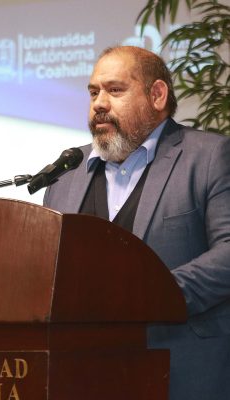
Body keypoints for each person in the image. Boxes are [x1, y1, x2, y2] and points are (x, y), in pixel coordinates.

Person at [43, 45, 230, 400]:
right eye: (93, 92)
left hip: (181, 371)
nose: (99, 103)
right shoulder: (66, 172)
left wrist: (156, 293)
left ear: (157, 95)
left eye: (115, 90)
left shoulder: (208, 157)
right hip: (81, 374)